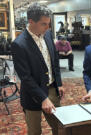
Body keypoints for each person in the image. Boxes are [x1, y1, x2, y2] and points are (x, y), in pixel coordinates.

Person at [11, 3, 64, 135]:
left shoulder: (48, 34)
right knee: (35, 131)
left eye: (49, 23)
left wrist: (59, 83)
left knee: (60, 127)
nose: (48, 27)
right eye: (43, 24)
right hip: (32, 95)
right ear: (31, 22)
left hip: (52, 89)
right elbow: (25, 77)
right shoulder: (19, 44)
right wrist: (42, 98)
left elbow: (54, 61)